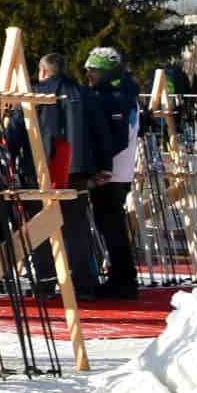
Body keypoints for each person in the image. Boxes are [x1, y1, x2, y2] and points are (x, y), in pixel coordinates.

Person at [32, 51, 106, 296]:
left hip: (41, 167)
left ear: (43, 71)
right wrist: (103, 166)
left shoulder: (34, 93)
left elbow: (19, 129)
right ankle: (82, 283)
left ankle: (45, 281)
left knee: (41, 227)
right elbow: (100, 131)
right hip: (77, 169)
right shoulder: (84, 94)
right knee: (76, 228)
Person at [83, 45, 143, 299]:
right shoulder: (121, 94)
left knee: (112, 227)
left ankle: (123, 280)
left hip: (112, 174)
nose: (88, 76)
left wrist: (100, 167)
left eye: (93, 71)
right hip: (117, 172)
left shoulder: (116, 98)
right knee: (111, 226)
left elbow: (116, 139)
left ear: (107, 72)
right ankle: (122, 276)